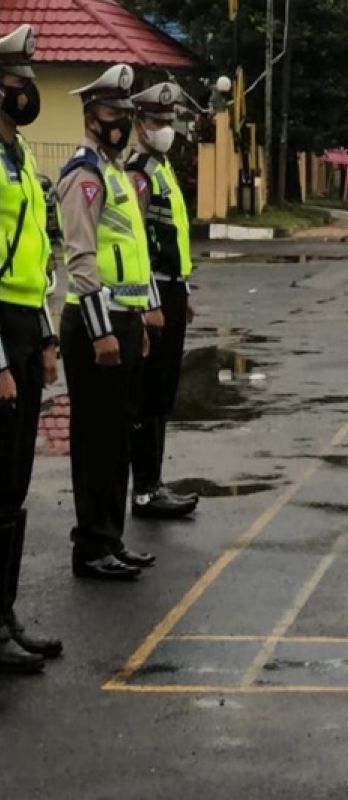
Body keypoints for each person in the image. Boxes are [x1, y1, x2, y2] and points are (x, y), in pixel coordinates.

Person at [57, 64, 160, 581]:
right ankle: (91, 545)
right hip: (92, 324)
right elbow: (82, 259)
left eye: (124, 112)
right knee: (95, 439)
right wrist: (101, 331)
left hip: (122, 319)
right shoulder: (84, 174)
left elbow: (133, 255)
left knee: (116, 437)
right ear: (90, 116)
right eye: (110, 112)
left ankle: (111, 538)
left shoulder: (116, 171)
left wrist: (137, 317)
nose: (119, 121)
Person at [0, 23, 62, 673]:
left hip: (22, 323)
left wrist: (45, 337)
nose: (26, 92)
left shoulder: (20, 162)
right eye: (16, 82)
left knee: (15, 483)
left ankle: (6, 613)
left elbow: (35, 259)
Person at [126, 82, 198, 519]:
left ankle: (155, 482)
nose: (164, 129)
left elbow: (173, 236)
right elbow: (138, 243)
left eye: (169, 122)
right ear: (139, 125)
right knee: (148, 393)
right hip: (151, 292)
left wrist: (183, 290)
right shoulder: (139, 173)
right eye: (156, 121)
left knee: (164, 391)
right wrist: (151, 301)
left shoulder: (163, 167)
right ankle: (145, 489)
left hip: (172, 289)